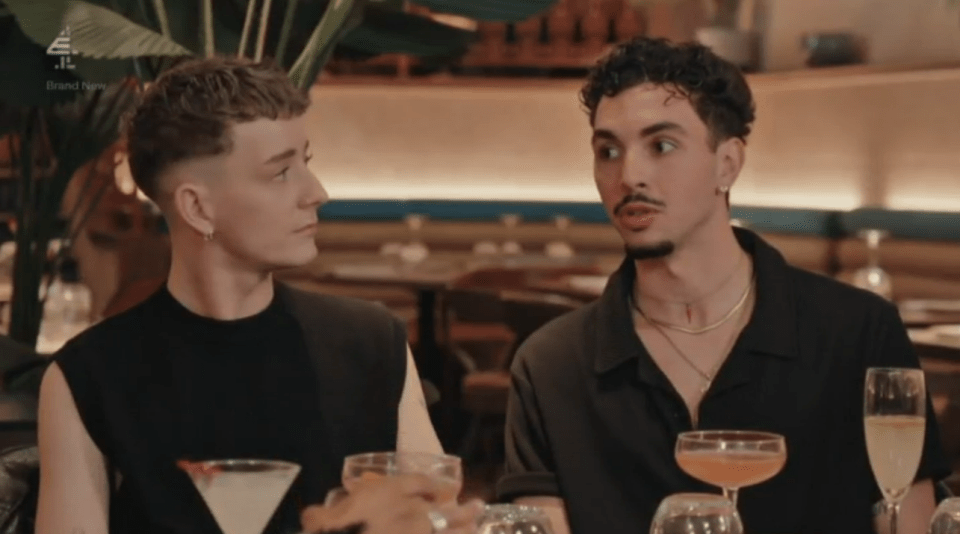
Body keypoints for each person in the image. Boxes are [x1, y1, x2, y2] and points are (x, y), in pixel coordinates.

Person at [496, 37, 950, 534]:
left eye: (662, 145)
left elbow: (906, 517)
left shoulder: (858, 333)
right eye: (608, 150)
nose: (629, 175)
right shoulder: (550, 365)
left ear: (728, 163)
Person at [35, 56, 479, 534]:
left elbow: (435, 518)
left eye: (305, 162)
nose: (318, 192)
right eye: (280, 173)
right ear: (198, 208)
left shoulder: (372, 343)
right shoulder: (89, 375)